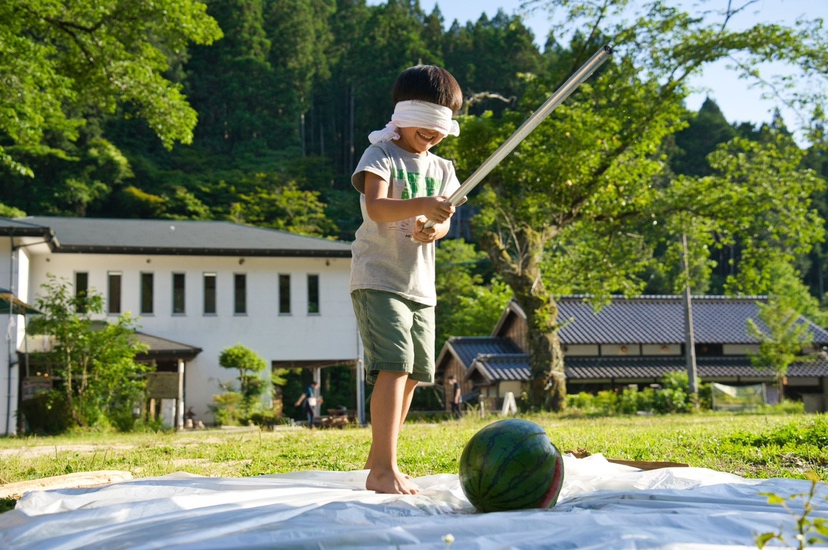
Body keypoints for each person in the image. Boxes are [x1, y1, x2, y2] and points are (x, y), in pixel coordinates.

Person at [350, 64, 463, 495]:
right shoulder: (380, 155)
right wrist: (421, 203)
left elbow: (445, 221)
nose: (432, 136)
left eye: (441, 129)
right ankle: (382, 469)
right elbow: (377, 208)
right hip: (379, 277)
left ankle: (380, 454)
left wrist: (434, 227)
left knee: (415, 373)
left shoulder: (442, 168)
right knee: (394, 366)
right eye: (426, 125)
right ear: (402, 113)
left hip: (421, 284)